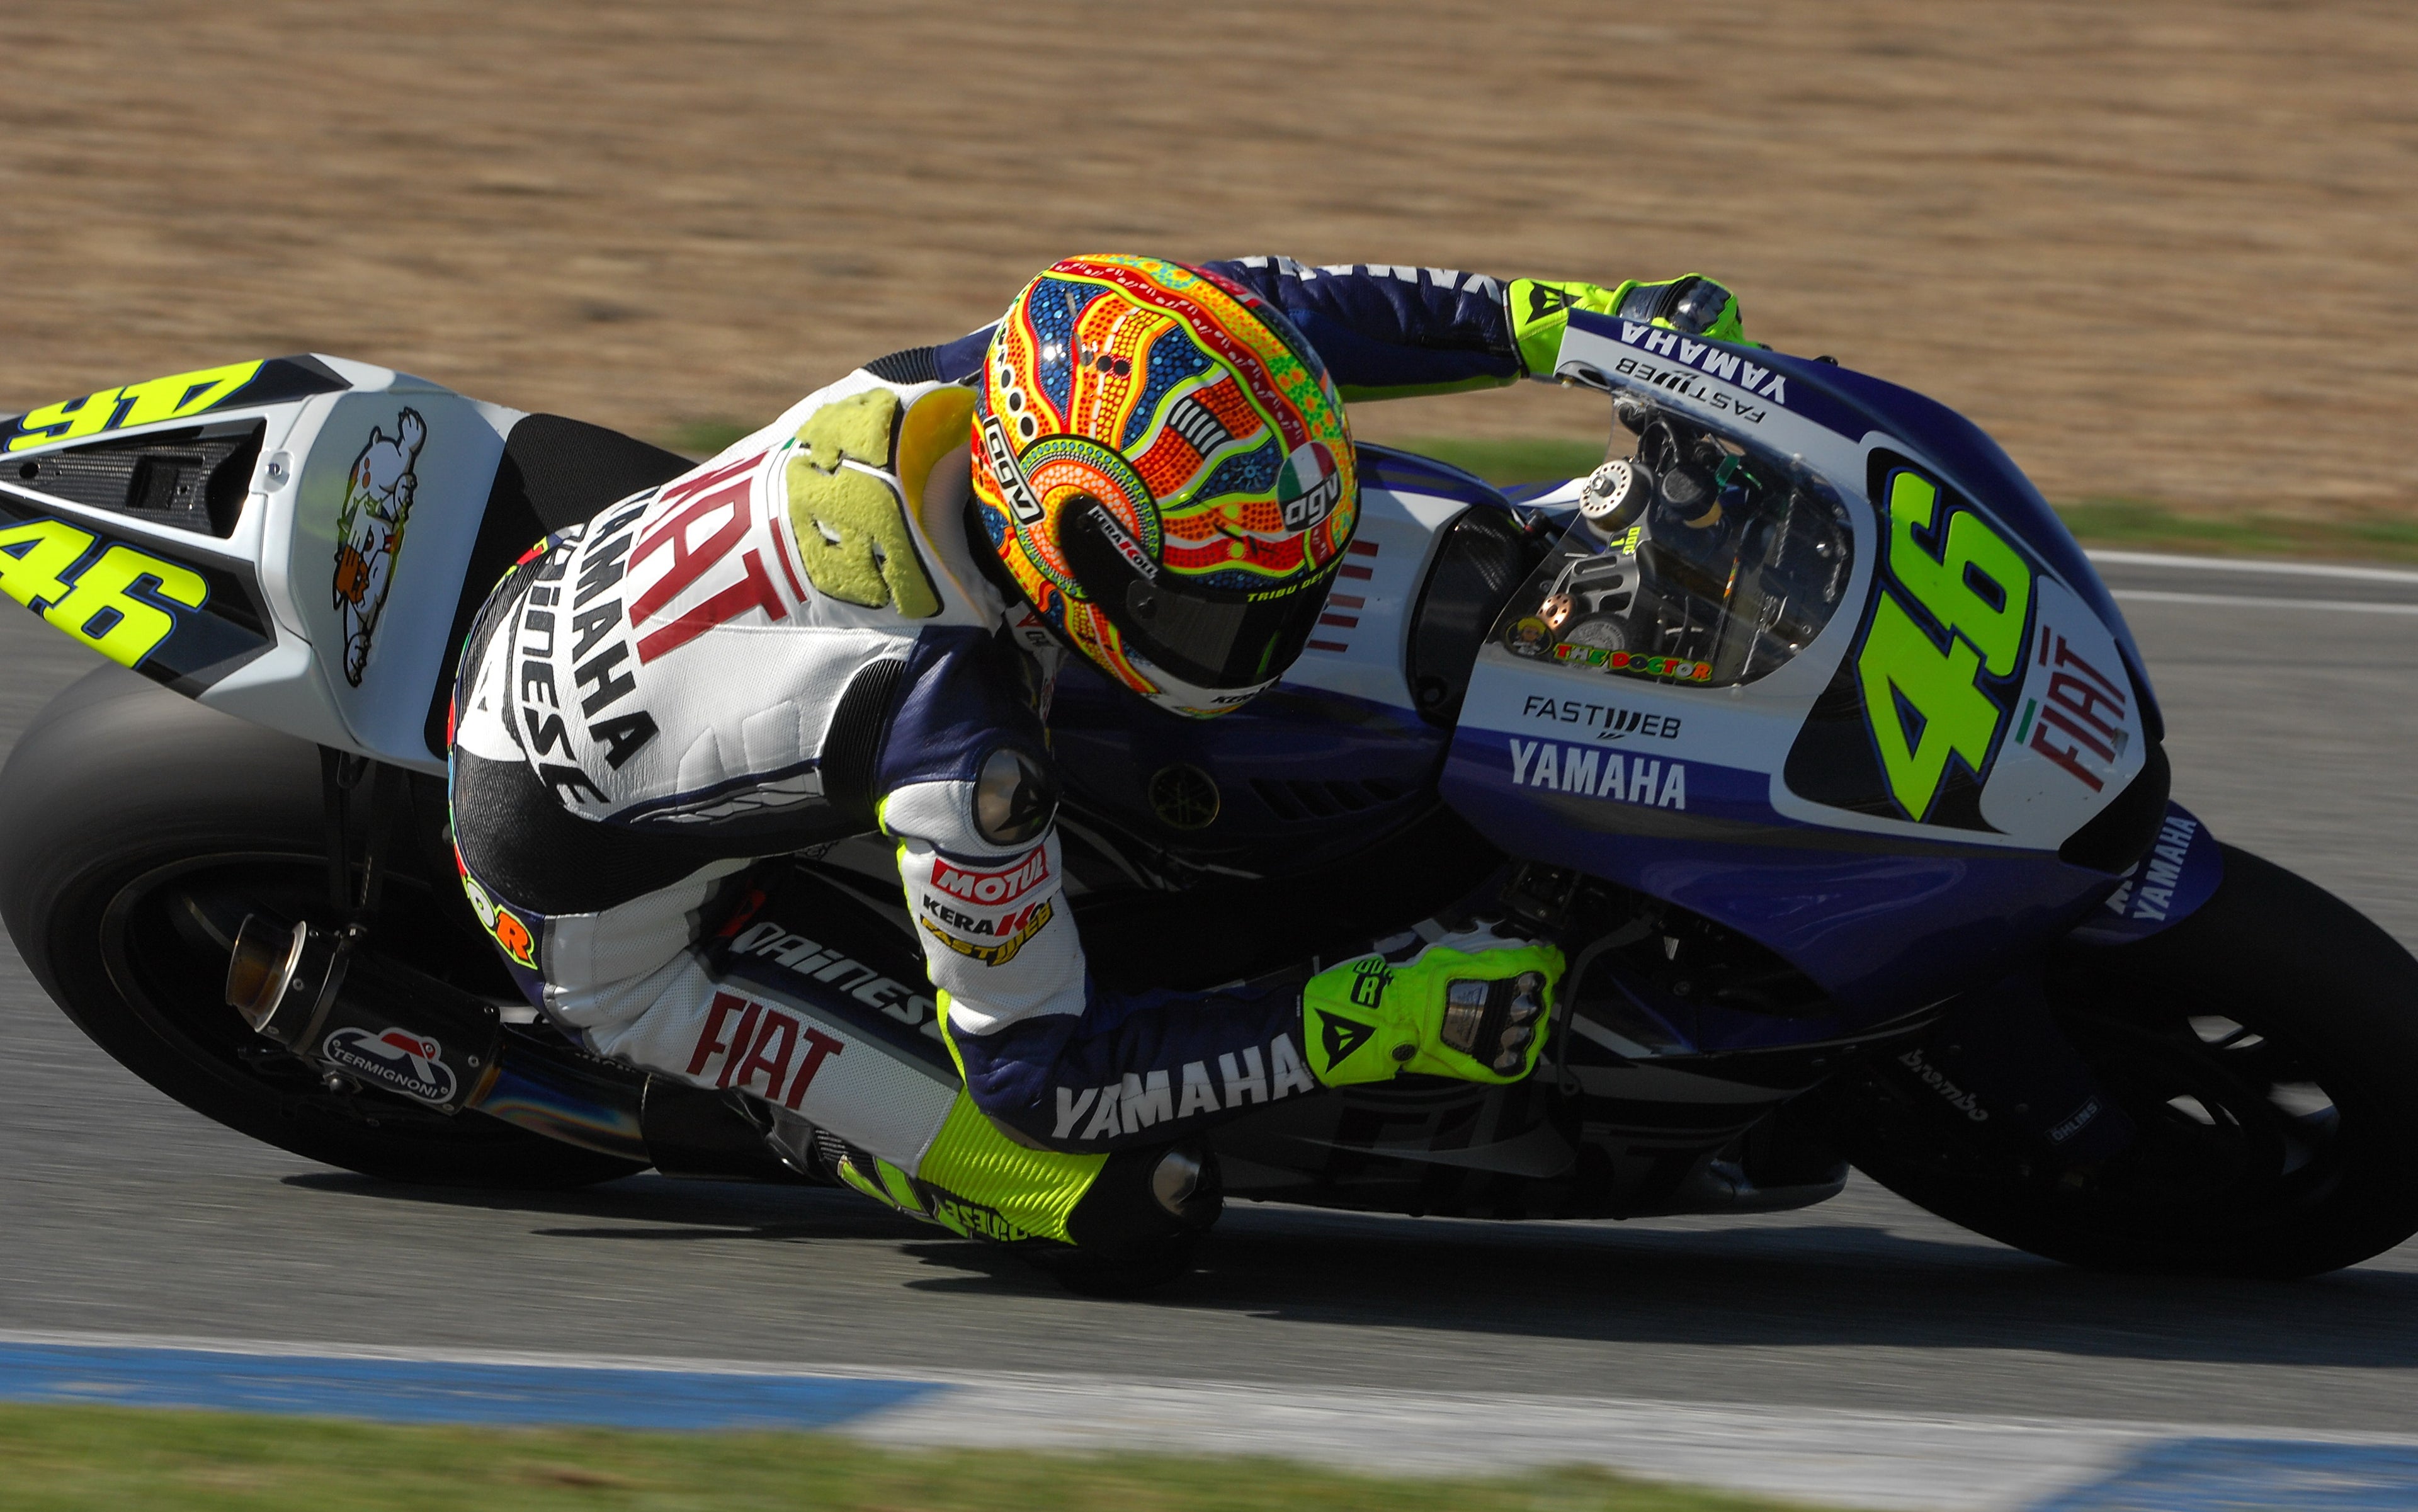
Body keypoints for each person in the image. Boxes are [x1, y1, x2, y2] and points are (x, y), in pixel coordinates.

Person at [446, 254, 1751, 1258]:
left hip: (593, 602)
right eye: (1224, 612)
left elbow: (1277, 313)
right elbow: (1043, 1080)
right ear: (1072, 553)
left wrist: (1557, 321)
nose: (1270, 634)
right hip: (604, 915)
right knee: (1134, 1198)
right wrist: (1363, 1020)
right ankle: (729, 1103)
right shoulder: (965, 752)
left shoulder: (1047, 370)